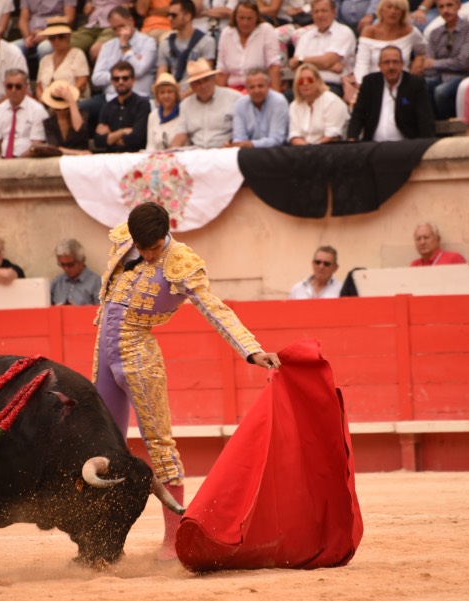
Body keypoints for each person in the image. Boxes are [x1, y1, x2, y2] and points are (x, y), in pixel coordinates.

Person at [92, 202, 280, 560]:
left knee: (160, 445)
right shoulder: (123, 240)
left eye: (154, 248)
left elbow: (214, 308)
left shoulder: (180, 261)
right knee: (99, 447)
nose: (148, 255)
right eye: (143, 247)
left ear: (165, 236)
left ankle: (172, 539)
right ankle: (101, 541)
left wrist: (251, 350)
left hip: (139, 357)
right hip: (103, 355)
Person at [86, 7, 157, 132]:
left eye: (121, 26)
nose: (119, 32)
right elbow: (96, 78)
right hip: (111, 98)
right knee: (81, 108)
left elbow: (139, 71)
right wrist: (118, 77)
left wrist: (125, 47)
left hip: (139, 98)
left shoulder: (148, 42)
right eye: (114, 29)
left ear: (131, 21)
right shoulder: (108, 46)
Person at [347, 44, 435, 141]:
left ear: (402, 64)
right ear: (379, 65)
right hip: (373, 146)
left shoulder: (415, 84)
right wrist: (352, 137)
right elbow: (358, 114)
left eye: (395, 62)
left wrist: (425, 145)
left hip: (406, 147)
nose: (391, 67)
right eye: (386, 62)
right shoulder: (370, 83)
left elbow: (425, 119)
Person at [411, 0, 469, 119]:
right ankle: (433, 124)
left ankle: (449, 124)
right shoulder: (435, 33)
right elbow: (428, 65)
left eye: (449, 5)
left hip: (463, 75)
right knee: (422, 85)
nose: (445, 10)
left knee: (441, 91)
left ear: (458, 6)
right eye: (441, 7)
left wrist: (435, 64)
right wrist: (432, 65)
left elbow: (463, 62)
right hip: (439, 75)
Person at [288, 0, 357, 97]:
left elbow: (327, 61)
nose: (320, 15)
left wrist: (302, 60)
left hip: (332, 86)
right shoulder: (305, 36)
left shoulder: (344, 32)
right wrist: (329, 66)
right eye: (316, 11)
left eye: (324, 11)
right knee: (286, 97)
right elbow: (295, 66)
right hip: (305, 84)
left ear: (334, 12)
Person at [352, 0, 426, 87]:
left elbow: (424, 51)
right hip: (373, 84)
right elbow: (362, 63)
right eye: (389, 7)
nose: (393, 11)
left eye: (397, 8)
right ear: (381, 10)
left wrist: (419, 59)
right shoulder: (369, 31)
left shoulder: (411, 32)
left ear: (403, 12)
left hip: (402, 84)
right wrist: (362, 85)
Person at [170, 58, 241, 148]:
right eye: (198, 83)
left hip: (225, 151)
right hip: (196, 153)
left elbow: (241, 133)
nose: (203, 86)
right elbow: (181, 134)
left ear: (213, 79)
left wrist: (231, 144)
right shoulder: (185, 105)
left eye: (206, 80)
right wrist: (171, 152)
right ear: (192, 86)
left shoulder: (234, 98)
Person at [216, 1, 282, 92]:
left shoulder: (266, 30)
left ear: (257, 18)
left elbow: (273, 66)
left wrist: (276, 97)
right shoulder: (226, 33)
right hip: (233, 90)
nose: (245, 22)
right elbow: (222, 71)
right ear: (235, 17)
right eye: (241, 18)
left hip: (260, 89)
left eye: (249, 18)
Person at [157, 0, 217, 95]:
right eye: (168, 15)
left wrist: (181, 98)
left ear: (188, 16)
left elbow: (206, 78)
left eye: (174, 15)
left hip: (197, 94)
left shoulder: (206, 42)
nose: (169, 18)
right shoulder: (165, 44)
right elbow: (161, 78)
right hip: (172, 96)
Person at [0, 69, 48, 159]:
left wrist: (16, 164)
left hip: (29, 161)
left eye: (18, 86)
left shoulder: (37, 110)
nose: (13, 90)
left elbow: (37, 145)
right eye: (9, 86)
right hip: (2, 161)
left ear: (26, 87)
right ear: (4, 86)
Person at [94, 61, 150, 152]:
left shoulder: (142, 104)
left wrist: (110, 136)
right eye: (116, 79)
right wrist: (123, 132)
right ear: (112, 82)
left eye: (125, 78)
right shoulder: (107, 107)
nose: (120, 82)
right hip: (111, 158)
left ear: (133, 80)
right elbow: (99, 141)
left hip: (135, 157)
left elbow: (137, 139)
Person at [288, 63, 350, 145]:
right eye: (301, 81)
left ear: (318, 81)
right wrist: (307, 149)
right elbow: (294, 135)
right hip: (303, 151)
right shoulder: (294, 106)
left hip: (331, 149)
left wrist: (314, 151)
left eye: (310, 80)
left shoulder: (332, 101)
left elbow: (333, 135)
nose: (305, 83)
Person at [229, 67, 289, 148]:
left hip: (275, 154)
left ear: (268, 86)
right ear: (246, 89)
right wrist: (237, 144)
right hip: (248, 154)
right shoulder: (240, 104)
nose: (256, 90)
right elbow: (239, 138)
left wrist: (251, 144)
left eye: (260, 86)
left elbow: (276, 140)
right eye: (252, 87)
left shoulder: (279, 102)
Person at [36, 16, 89, 101]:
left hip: (73, 102)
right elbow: (39, 86)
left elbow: (82, 82)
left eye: (60, 36)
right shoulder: (44, 60)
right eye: (52, 37)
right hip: (48, 103)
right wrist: (42, 99)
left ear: (68, 36)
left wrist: (67, 96)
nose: (56, 41)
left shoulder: (77, 54)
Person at [41, 79, 92, 154]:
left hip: (81, 162)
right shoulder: (49, 123)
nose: (61, 110)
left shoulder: (82, 114)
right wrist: (79, 153)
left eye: (64, 107)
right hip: (60, 161)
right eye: (58, 108)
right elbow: (54, 148)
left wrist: (71, 100)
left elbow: (79, 129)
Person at [51, 238, 101, 305]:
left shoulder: (96, 283)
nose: (66, 269)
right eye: (62, 265)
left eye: (70, 264)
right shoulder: (56, 283)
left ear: (81, 261)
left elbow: (103, 313)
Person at [146, 72, 182, 150]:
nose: (166, 96)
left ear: (176, 94)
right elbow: (150, 145)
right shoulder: (153, 116)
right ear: (157, 96)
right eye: (162, 92)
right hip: (157, 159)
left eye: (169, 92)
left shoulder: (183, 112)